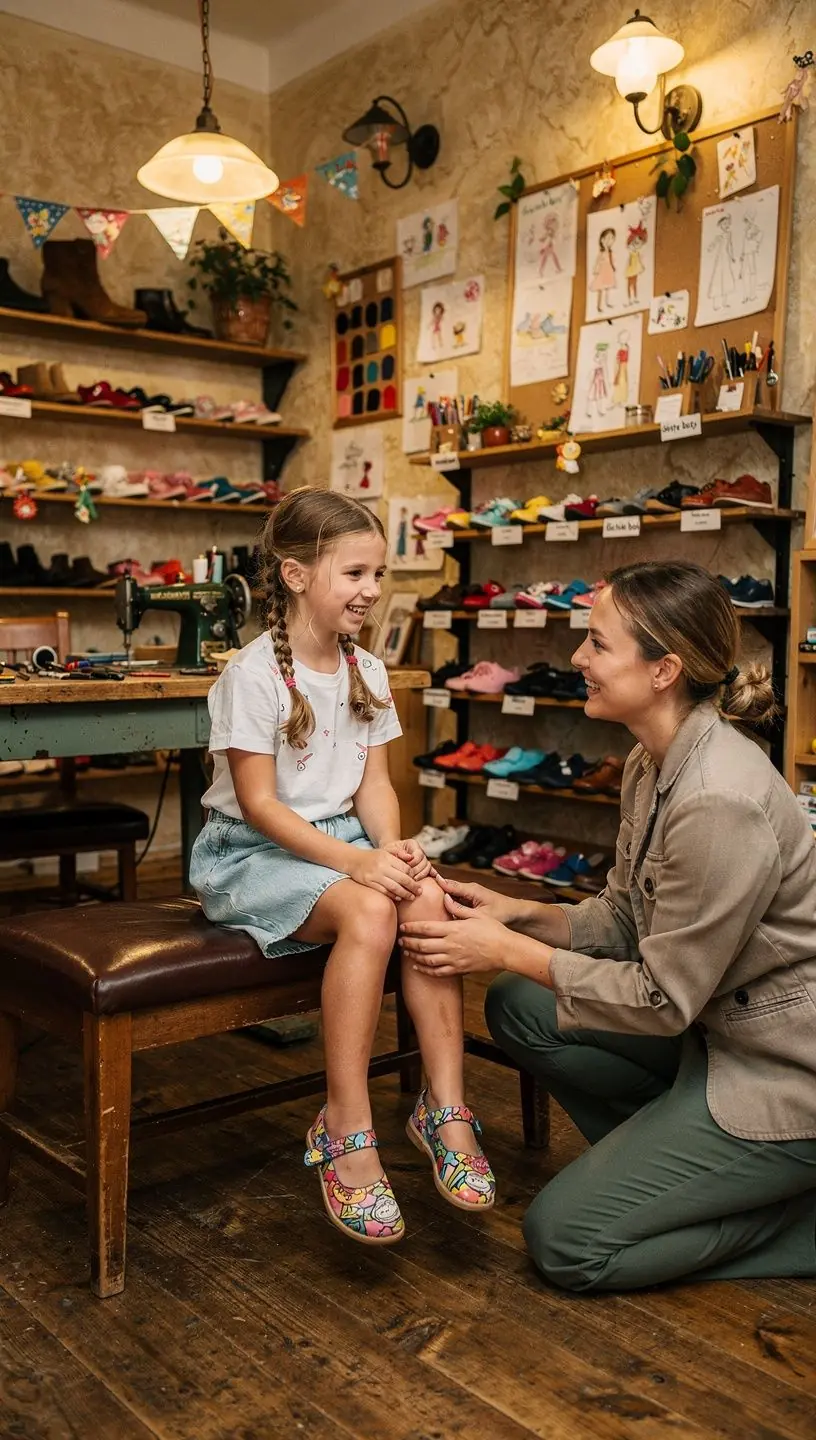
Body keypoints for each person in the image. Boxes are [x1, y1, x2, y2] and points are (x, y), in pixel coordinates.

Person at [401, 560, 816, 1290]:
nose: (577, 660)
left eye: (596, 643)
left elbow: (662, 998)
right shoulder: (648, 761)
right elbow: (625, 915)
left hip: (780, 1069)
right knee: (517, 1004)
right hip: (712, 1033)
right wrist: (517, 913)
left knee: (568, 1241)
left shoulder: (720, 800)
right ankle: (682, 1171)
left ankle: (787, 1210)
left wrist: (505, 948)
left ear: (664, 670)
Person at [190, 488, 495, 1247]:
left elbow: (374, 785)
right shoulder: (254, 676)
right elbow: (259, 806)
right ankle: (346, 1125)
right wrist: (360, 866)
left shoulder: (368, 669)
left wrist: (390, 850)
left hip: (335, 842)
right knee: (368, 908)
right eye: (354, 573)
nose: (371, 591)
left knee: (422, 894)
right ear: (295, 575)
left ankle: (444, 1107)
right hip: (250, 852)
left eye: (377, 575)